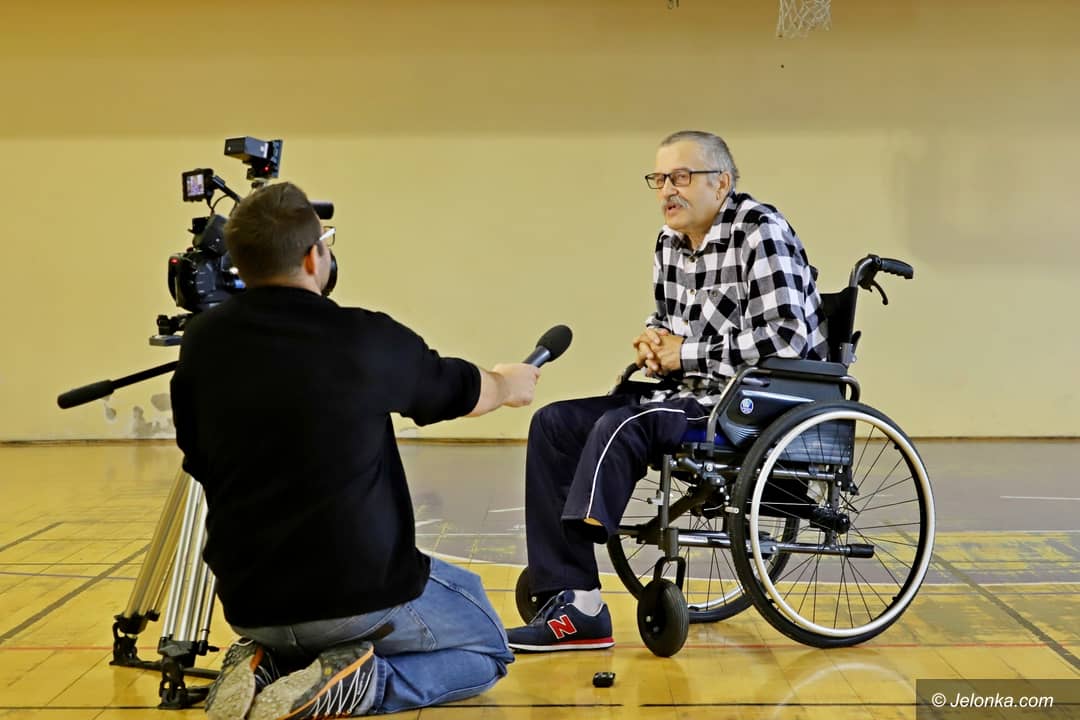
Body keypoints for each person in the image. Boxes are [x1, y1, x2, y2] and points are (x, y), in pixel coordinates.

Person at [170, 182, 540, 719]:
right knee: (488, 651)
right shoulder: (363, 337)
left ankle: (269, 662)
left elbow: (196, 457)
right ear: (312, 257)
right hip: (358, 597)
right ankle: (363, 686)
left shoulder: (202, 342)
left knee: (308, 623)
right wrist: (509, 383)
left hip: (249, 604)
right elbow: (463, 392)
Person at [505, 130, 829, 652]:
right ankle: (576, 598)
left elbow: (788, 340)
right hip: (682, 395)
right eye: (658, 179)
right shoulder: (669, 242)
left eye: (680, 176)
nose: (667, 190)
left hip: (747, 403)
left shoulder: (760, 231)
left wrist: (687, 354)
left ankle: (584, 534)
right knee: (555, 422)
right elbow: (670, 320)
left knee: (622, 424)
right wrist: (654, 342)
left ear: (721, 182)